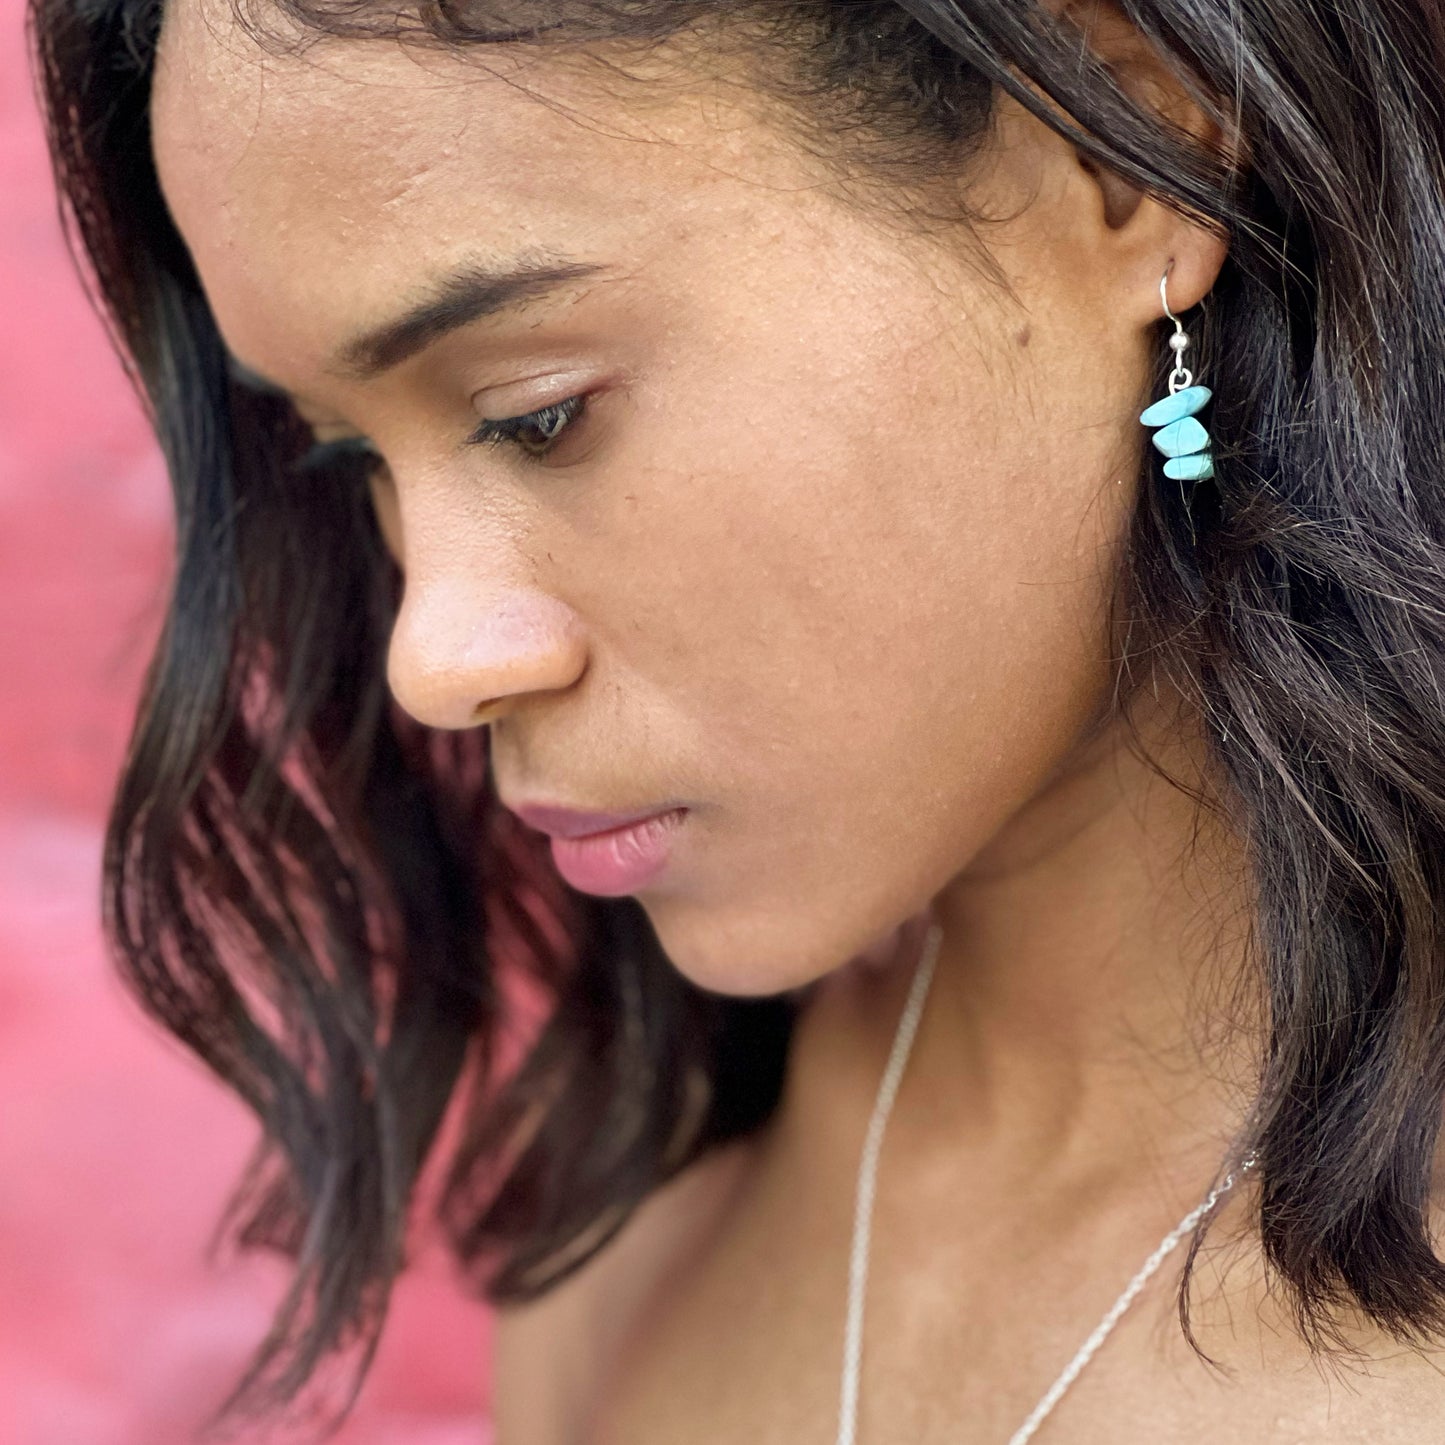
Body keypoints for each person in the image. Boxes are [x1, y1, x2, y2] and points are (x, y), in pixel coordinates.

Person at [27, 0, 1445, 1437]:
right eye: (352, 459)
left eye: (538, 413)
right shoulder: (628, 1275)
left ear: (1114, 150)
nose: (435, 656)